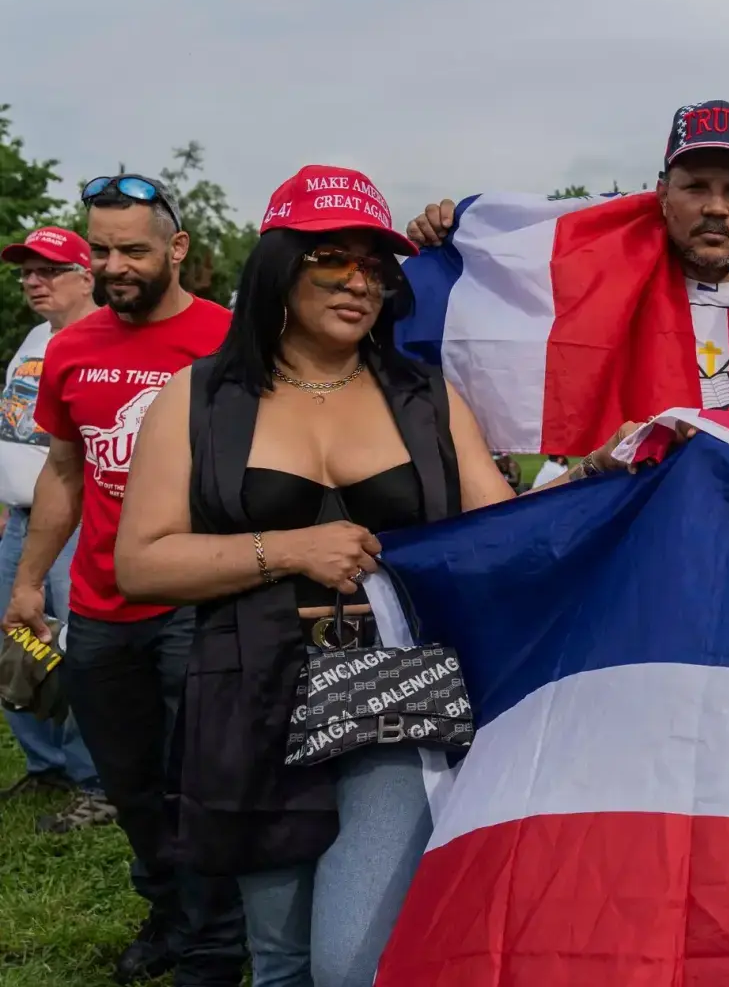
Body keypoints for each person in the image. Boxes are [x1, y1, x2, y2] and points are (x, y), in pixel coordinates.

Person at [115, 165, 513, 987]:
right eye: (333, 258)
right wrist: (288, 548)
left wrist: (612, 481)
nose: (359, 280)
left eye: (376, 265)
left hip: (395, 692)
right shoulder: (196, 398)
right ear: (280, 267)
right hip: (250, 691)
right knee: (282, 957)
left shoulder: (426, 396)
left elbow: (500, 532)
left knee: (347, 961)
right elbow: (142, 561)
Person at [0, 175, 246, 985]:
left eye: (133, 249)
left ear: (175, 249)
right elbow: (65, 472)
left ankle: (215, 938)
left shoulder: (228, 340)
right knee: (131, 782)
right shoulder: (70, 348)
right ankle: (169, 910)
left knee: (196, 778)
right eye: (101, 250)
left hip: (195, 600)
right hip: (103, 608)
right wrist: (31, 580)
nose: (115, 266)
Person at [406, 100, 729, 475]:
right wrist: (457, 248)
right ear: (663, 193)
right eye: (696, 187)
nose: (715, 207)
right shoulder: (599, 281)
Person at [0, 226, 110, 833]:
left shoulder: (104, 340)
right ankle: (47, 764)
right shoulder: (35, 339)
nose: (33, 282)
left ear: (86, 275)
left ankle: (96, 782)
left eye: (49, 271)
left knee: (76, 652)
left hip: (76, 522)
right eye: (26, 273)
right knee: (20, 642)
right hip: (18, 519)